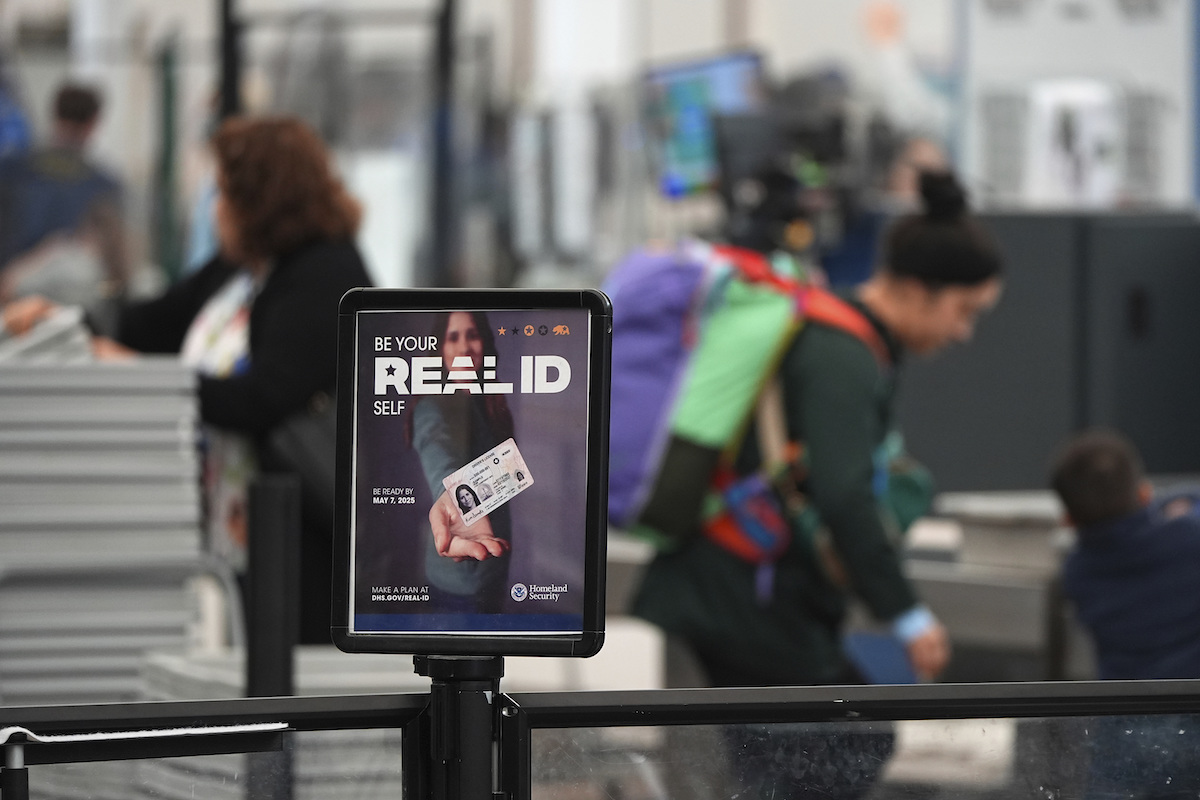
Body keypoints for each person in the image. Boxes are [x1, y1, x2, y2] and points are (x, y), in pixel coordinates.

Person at [631, 168, 1001, 798]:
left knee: (826, 751)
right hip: (743, 596)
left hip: (736, 589)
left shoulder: (840, 335)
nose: (963, 333)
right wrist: (907, 615)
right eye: (963, 311)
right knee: (842, 746)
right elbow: (843, 495)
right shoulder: (842, 355)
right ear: (917, 290)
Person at [9, 116, 373, 645]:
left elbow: (263, 398)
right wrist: (62, 320)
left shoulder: (325, 275)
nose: (213, 208)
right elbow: (149, 322)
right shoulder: (243, 269)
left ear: (262, 199)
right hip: (230, 524)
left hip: (298, 535)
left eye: (223, 193)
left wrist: (143, 377)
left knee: (284, 667)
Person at [1048, 428, 1200, 798]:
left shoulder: (1079, 573)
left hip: (1123, 729)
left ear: (1068, 520)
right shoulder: (1189, 539)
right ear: (1145, 493)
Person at [405, 311, 514, 612]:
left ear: (485, 343)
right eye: (453, 337)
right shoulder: (431, 407)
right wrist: (451, 494)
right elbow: (436, 450)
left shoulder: (488, 402)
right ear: (440, 348)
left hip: (493, 569)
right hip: (457, 584)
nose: (464, 347)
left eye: (472, 335)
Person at [0, 82, 127, 331]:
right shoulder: (103, 185)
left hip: (11, 307)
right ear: (94, 122)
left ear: (54, 114)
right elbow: (117, 266)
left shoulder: (11, 171)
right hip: (75, 318)